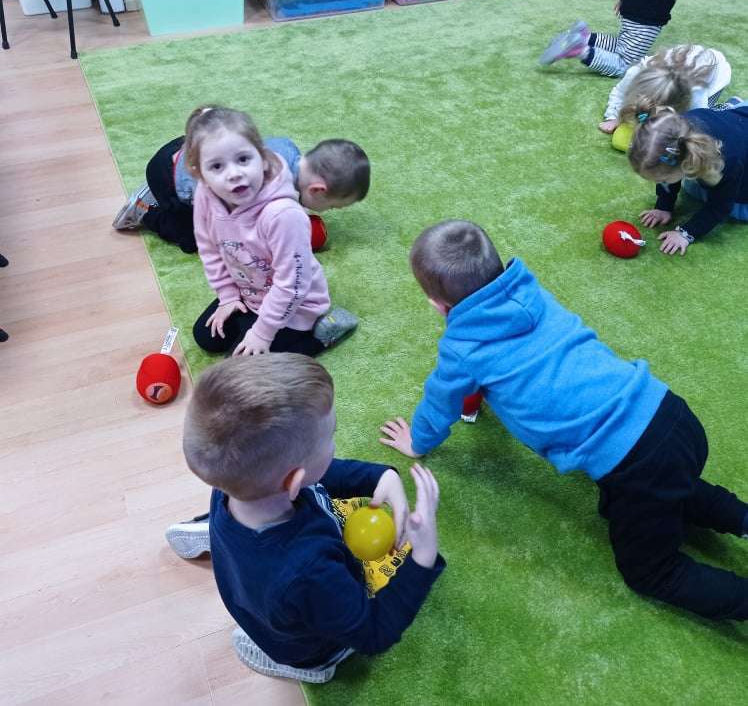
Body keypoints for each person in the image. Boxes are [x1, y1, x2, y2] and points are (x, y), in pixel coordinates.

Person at [380, 219, 748, 621]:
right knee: (672, 487)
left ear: (438, 306)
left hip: (637, 462)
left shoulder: (462, 348)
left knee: (652, 573)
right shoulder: (531, 292)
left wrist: (418, 441)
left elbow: (440, 402)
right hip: (670, 413)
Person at [166, 353, 444, 683]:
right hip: (302, 642)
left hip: (260, 585)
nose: (333, 444)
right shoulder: (310, 571)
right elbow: (374, 632)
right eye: (331, 436)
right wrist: (423, 557)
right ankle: (310, 666)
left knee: (250, 559)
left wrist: (380, 477)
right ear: (294, 482)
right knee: (318, 642)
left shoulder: (230, 486)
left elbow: (319, 475)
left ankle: (221, 535)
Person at [184, 106, 357, 357]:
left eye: (243, 159)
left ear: (262, 157)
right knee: (205, 337)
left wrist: (262, 333)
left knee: (242, 367)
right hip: (249, 293)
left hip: (296, 306)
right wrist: (228, 296)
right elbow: (208, 247)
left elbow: (292, 285)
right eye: (217, 166)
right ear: (199, 172)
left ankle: (322, 335)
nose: (234, 174)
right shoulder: (205, 193)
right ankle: (255, 323)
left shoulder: (283, 215)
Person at [112, 112, 370, 255]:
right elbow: (238, 231)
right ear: (317, 190)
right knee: (194, 241)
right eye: (332, 206)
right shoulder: (263, 188)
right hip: (168, 177)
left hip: (185, 146)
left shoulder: (287, 148)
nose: (328, 211)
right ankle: (146, 209)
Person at [539, 0, 705, 77]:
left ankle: (585, 37)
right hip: (650, 13)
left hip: (633, 1)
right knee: (624, 64)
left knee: (622, 45)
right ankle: (579, 50)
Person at [629, 103, 748, 255]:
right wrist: (663, 206)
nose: (659, 182)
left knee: (737, 209)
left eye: (663, 178)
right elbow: (667, 172)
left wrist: (686, 233)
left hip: (737, 156)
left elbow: (721, 207)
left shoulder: (725, 163)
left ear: (685, 164)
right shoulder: (677, 134)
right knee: (695, 188)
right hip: (737, 122)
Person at [599, 44, 731, 134]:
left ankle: (729, 107)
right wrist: (613, 116)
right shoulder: (635, 72)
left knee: (702, 118)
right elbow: (619, 93)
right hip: (689, 62)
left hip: (717, 73)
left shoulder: (696, 93)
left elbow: (700, 120)